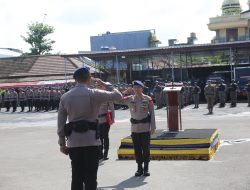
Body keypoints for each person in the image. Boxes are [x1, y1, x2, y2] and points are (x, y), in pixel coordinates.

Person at [57, 67, 122, 190]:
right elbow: (118, 95)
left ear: (75, 79)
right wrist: (106, 84)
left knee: (76, 176)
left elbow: (60, 122)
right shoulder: (94, 93)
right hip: (91, 141)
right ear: (89, 78)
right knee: (91, 177)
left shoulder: (65, 97)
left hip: (74, 142)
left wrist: (62, 143)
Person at [122, 80, 156, 177]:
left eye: (138, 87)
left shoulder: (148, 99)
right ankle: (139, 168)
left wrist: (153, 127)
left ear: (142, 88)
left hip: (145, 128)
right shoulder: (129, 99)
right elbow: (117, 99)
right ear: (132, 88)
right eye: (135, 87)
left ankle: (146, 168)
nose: (136, 89)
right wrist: (125, 91)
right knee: (137, 150)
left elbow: (152, 114)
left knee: (146, 149)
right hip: (135, 129)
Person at [96, 82, 115, 160]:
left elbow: (112, 108)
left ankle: (105, 154)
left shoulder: (107, 96)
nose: (99, 87)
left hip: (105, 120)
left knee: (105, 137)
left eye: (100, 86)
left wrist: (113, 119)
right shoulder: (94, 96)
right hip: (96, 121)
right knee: (98, 138)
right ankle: (100, 154)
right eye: (98, 86)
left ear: (103, 87)